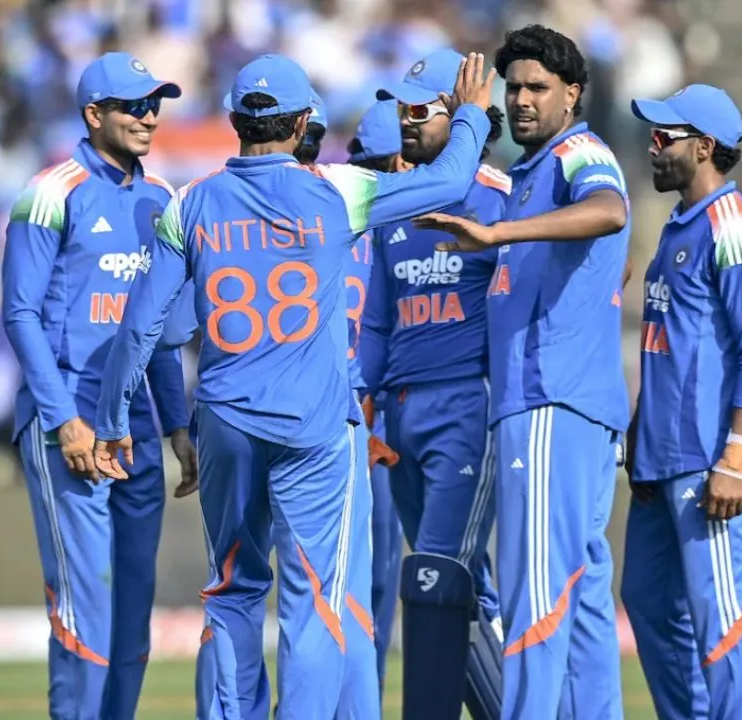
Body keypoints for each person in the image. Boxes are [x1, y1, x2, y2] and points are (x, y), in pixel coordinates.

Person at [91, 52, 495, 719]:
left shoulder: (189, 202)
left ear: (232, 122)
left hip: (223, 420)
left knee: (231, 590)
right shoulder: (337, 189)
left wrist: (111, 422)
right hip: (313, 428)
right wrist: (474, 113)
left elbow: (143, 331)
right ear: (305, 121)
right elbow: (451, 182)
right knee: (316, 599)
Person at [415, 25, 629, 719]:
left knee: (534, 591)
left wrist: (498, 234)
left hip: (546, 403)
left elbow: (609, 210)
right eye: (513, 88)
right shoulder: (527, 175)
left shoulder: (579, 153)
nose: (522, 99)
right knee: (582, 597)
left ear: (572, 94)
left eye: (537, 87)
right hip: (574, 405)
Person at [1, 51, 194, 719]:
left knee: (131, 616)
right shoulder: (51, 190)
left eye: (155, 105)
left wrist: (177, 425)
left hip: (135, 430)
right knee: (86, 604)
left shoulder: (163, 199)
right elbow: (19, 313)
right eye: (135, 106)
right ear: (94, 114)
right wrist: (63, 419)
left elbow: (160, 330)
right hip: (71, 425)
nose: (149, 118)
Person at [619, 84, 742, 720]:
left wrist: (735, 457)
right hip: (660, 459)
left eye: (663, 138)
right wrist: (639, 435)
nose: (651, 149)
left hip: (707, 456)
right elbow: (667, 345)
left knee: (721, 615)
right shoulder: (678, 228)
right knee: (648, 600)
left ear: (704, 147)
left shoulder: (732, 228)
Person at [366, 48, 509, 720]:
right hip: (399, 415)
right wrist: (361, 405)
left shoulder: (501, 196)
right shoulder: (393, 207)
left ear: (460, 114)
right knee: (450, 586)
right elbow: (376, 323)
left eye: (419, 110)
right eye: (401, 109)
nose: (406, 123)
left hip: (466, 404)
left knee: (435, 576)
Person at [335, 98, 410, 695]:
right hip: (349, 414)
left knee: (375, 575)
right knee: (358, 575)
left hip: (379, 411)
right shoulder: (342, 218)